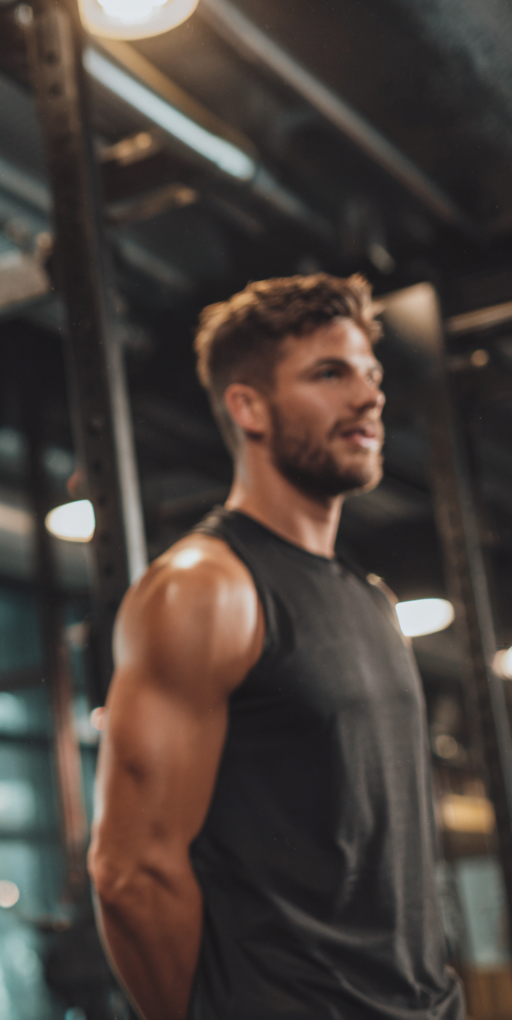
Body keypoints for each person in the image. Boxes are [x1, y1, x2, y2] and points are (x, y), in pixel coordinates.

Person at [87, 274, 464, 1020]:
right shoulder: (204, 590)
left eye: (371, 374)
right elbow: (130, 874)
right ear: (248, 406)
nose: (368, 397)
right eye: (331, 374)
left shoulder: (368, 597)